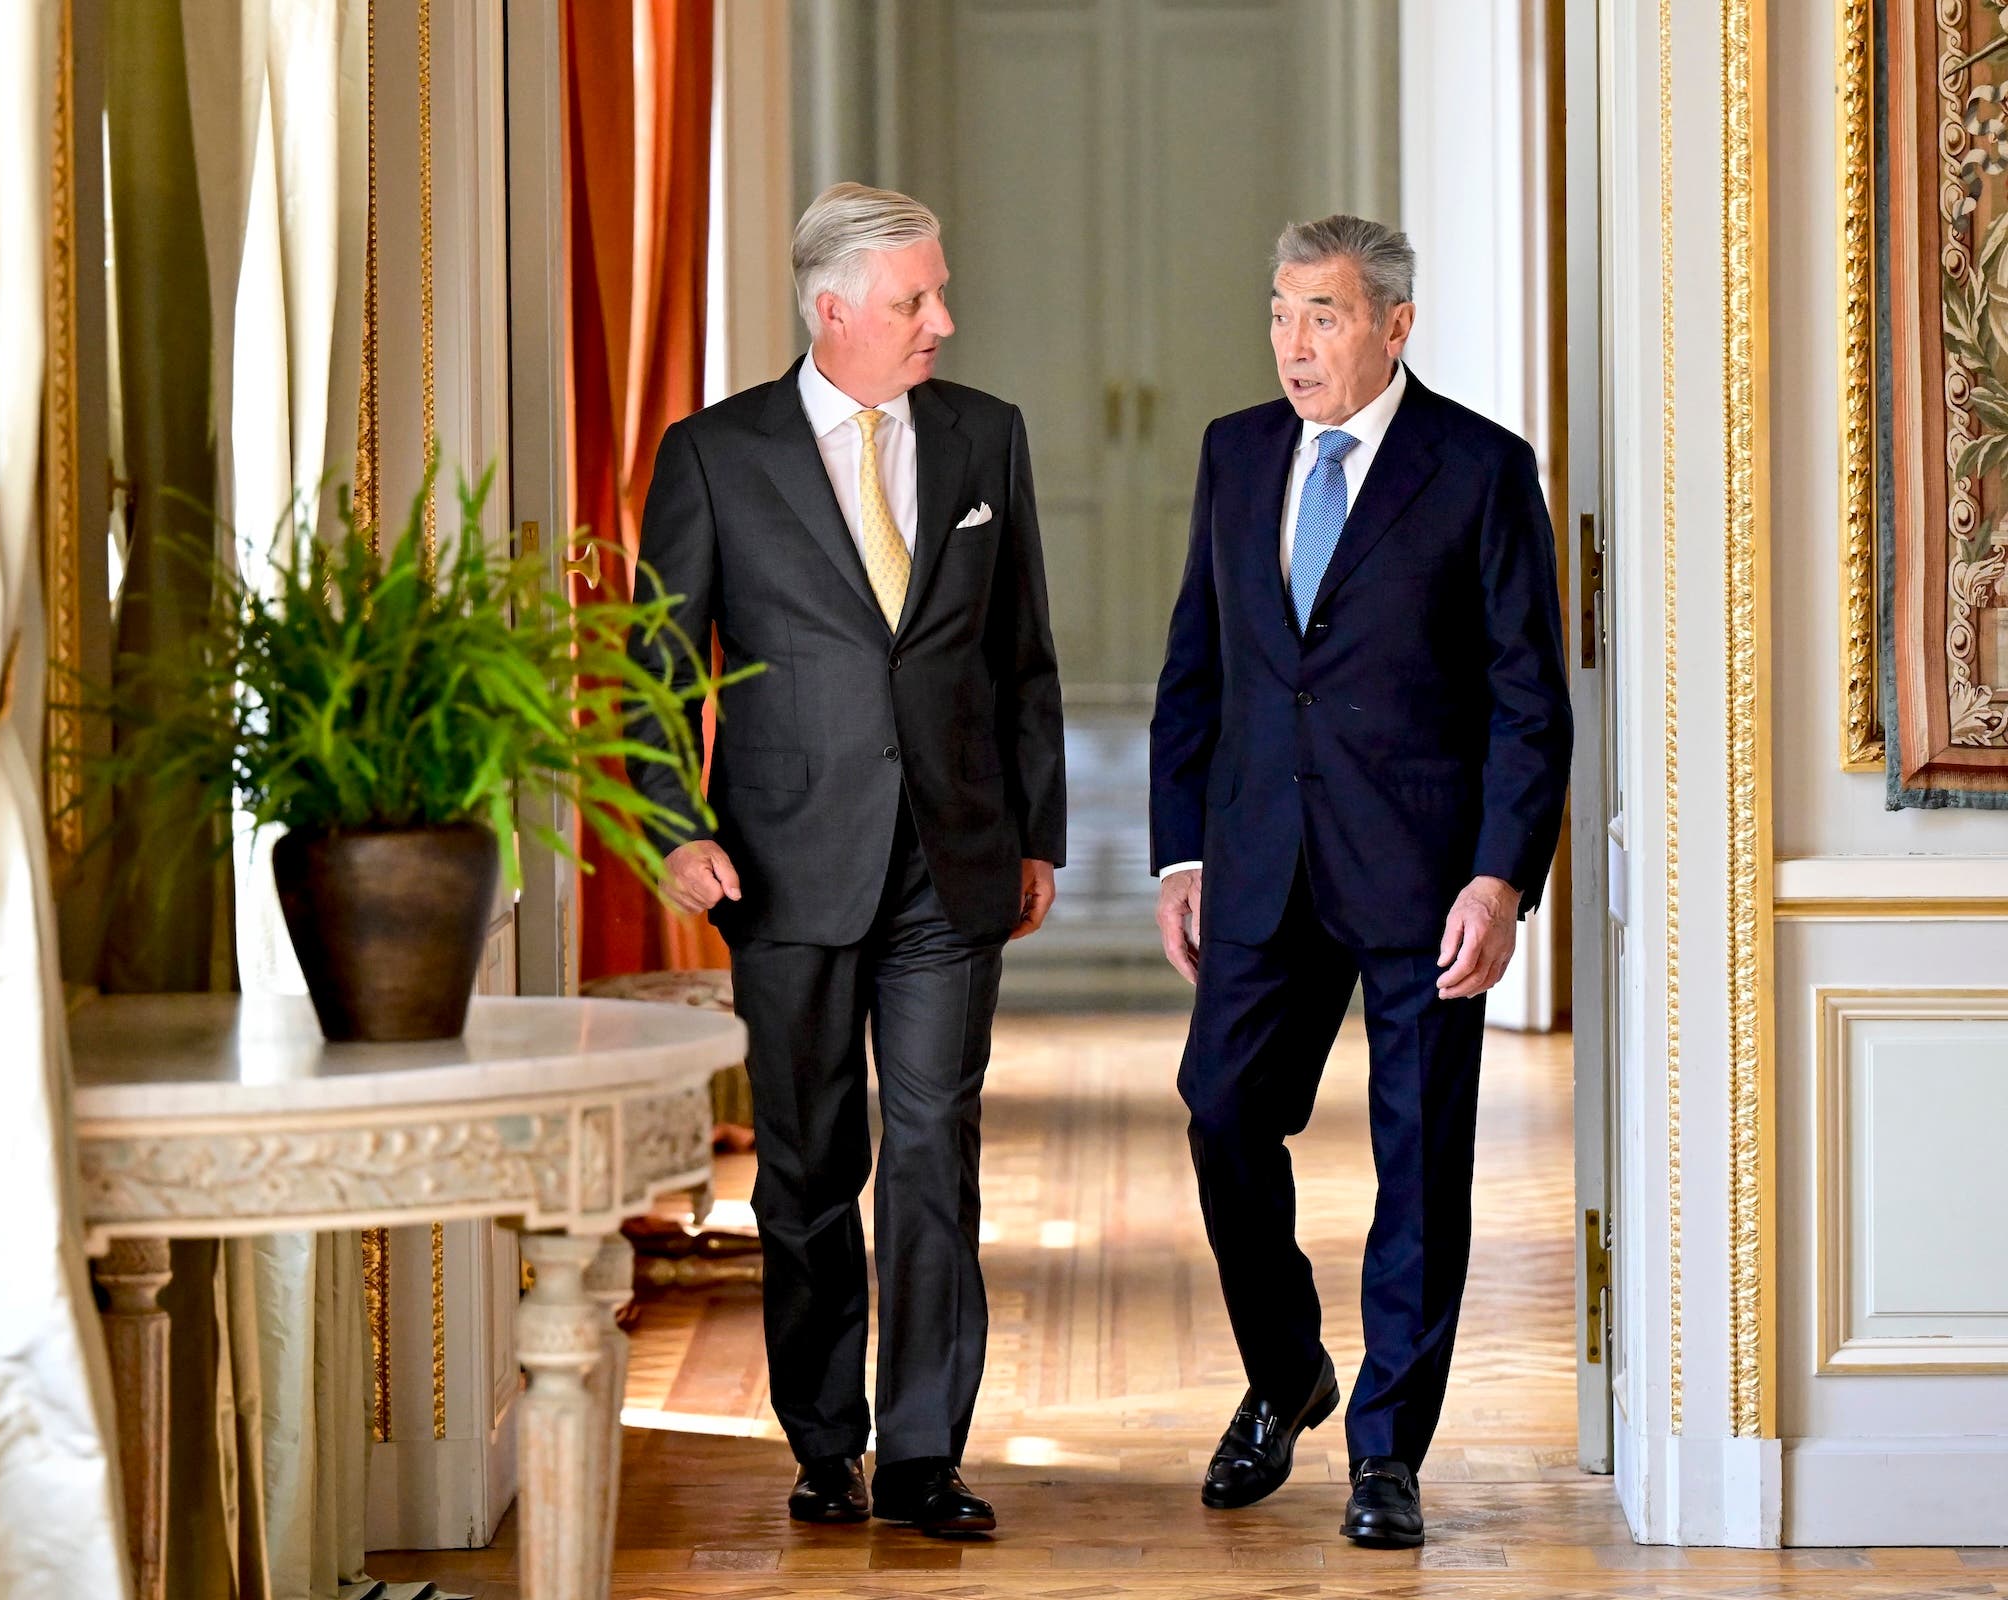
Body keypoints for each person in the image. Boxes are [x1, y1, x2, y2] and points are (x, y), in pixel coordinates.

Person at [626, 182, 1067, 1537]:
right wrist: (671, 826)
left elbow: (1021, 657)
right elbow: (651, 667)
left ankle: (927, 1453)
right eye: (914, 300)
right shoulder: (714, 455)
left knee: (937, 1148)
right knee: (812, 1169)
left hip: (953, 859)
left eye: (935, 294)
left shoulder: (987, 438)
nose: (943, 320)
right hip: (781, 864)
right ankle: (827, 1443)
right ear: (833, 311)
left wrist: (1038, 831)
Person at [1148, 215, 1572, 1549]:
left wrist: (1500, 879)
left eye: (1323, 315)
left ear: (1393, 326)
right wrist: (1182, 849)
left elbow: (1527, 702)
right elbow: (1197, 671)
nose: (1293, 342)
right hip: (1261, 863)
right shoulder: (1235, 454)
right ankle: (1287, 1377)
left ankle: (1387, 1452)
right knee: (1221, 1111)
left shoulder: (1483, 471)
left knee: (1420, 1166)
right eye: (1280, 312)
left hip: (1423, 876)